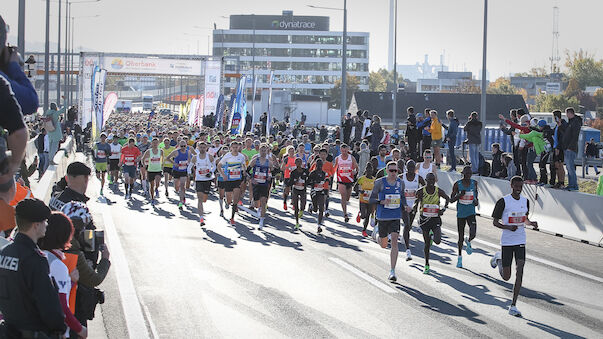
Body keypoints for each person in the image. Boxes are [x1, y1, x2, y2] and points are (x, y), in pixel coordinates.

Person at [0, 199, 67, 338]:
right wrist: (60, 327)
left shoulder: (4, 253)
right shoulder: (35, 259)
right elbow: (48, 304)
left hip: (8, 331)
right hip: (33, 332)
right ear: (36, 225)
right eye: (44, 221)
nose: (47, 225)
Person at [490, 176, 539, 317]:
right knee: (506, 277)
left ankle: (513, 305)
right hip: (507, 241)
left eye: (520, 186)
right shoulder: (503, 202)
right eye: (516, 186)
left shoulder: (525, 201)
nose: (518, 189)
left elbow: (524, 219)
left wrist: (531, 223)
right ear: (511, 185)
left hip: (520, 240)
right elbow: (495, 222)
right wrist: (507, 227)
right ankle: (498, 258)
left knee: (520, 269)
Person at [61, 201, 110, 335]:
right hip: (71, 310)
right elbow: (94, 279)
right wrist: (105, 259)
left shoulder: (50, 244)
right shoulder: (73, 251)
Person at [38, 212, 88, 338]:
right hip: (52, 331)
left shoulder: (36, 255)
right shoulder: (57, 265)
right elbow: (61, 307)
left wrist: (69, 281)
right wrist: (80, 329)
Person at [369, 161, 412, 282]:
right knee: (383, 244)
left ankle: (392, 271)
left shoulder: (400, 183)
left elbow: (402, 197)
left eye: (396, 171)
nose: (394, 173)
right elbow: (371, 199)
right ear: (387, 171)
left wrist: (405, 206)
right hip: (383, 217)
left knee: (394, 240)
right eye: (391, 171)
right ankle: (376, 233)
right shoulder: (379, 183)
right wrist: (381, 202)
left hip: (395, 216)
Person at [413, 172, 450, 275]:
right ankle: (427, 264)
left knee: (437, 241)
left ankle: (433, 236)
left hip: (435, 219)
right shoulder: (421, 191)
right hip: (425, 219)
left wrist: (443, 209)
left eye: (433, 180)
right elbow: (416, 200)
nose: (431, 182)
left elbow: (447, 198)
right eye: (429, 180)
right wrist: (415, 208)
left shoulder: (438, 191)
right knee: (426, 244)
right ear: (426, 180)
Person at [450, 166, 479, 268]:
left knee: (473, 232)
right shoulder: (457, 184)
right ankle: (459, 258)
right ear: (463, 174)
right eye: (466, 174)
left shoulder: (474, 183)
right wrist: (459, 195)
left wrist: (476, 202)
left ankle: (469, 240)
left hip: (471, 212)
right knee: (460, 237)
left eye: (470, 174)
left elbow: (476, 198)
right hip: (461, 213)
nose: (468, 176)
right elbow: (451, 200)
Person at [400, 160, 425, 261]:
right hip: (403, 205)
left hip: (414, 205)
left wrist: (419, 200)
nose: (411, 169)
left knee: (409, 226)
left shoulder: (418, 178)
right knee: (406, 225)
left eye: (412, 167)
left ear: (415, 168)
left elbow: (425, 189)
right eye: (409, 167)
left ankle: (405, 236)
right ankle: (408, 251)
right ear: (406, 167)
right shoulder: (402, 177)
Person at [218, 141, 247, 225]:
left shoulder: (241, 156)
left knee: (236, 199)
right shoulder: (227, 156)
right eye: (233, 147)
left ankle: (232, 217)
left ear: (238, 147)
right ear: (230, 148)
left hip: (237, 179)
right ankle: (226, 201)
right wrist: (223, 175)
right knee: (229, 200)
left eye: (236, 147)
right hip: (228, 180)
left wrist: (244, 171)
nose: (235, 149)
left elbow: (243, 165)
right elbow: (219, 166)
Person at [249, 143, 276, 230]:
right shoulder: (255, 160)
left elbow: (274, 172)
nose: (263, 152)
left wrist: (270, 176)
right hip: (256, 183)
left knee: (263, 201)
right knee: (257, 204)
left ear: (267, 151)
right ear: (259, 150)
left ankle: (261, 222)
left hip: (264, 184)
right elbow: (247, 170)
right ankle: (258, 207)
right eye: (262, 150)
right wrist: (251, 179)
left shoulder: (269, 162)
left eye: (265, 150)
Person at [191, 141, 215, 226]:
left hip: (207, 180)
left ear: (206, 148)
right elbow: (190, 166)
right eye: (200, 147)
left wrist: (211, 172)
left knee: (204, 199)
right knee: (200, 199)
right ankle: (201, 218)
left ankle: (201, 215)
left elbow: (214, 166)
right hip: (199, 179)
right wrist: (188, 174)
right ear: (198, 148)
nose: (202, 149)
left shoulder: (210, 157)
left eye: (203, 147)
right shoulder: (195, 157)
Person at [333, 143, 358, 223]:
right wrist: (330, 175)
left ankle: (345, 211)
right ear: (340, 150)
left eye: (345, 150)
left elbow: (357, 167)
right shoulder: (338, 158)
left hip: (349, 180)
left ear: (348, 150)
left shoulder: (351, 158)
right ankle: (345, 214)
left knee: (347, 198)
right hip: (341, 180)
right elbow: (334, 168)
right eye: (342, 150)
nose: (344, 152)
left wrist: (355, 171)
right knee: (343, 196)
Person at [167, 140, 192, 210]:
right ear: (179, 146)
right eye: (181, 146)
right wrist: (174, 163)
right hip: (176, 170)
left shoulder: (188, 152)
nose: (183, 147)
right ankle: (182, 195)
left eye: (184, 146)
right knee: (176, 187)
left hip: (184, 170)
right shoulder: (176, 152)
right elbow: (168, 158)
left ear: (186, 146)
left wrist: (188, 163)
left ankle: (180, 202)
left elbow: (190, 160)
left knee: (182, 185)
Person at [562, 107, 582, 191]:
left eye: (567, 113)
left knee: (570, 168)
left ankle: (574, 185)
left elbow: (575, 136)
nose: (566, 115)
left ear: (570, 113)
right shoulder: (571, 122)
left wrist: (570, 147)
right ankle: (571, 184)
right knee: (568, 168)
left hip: (571, 148)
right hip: (567, 148)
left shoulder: (575, 122)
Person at [307, 158, 329, 233]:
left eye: (321, 165)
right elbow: (308, 182)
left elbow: (327, 179)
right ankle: (311, 206)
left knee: (321, 208)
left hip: (321, 191)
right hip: (314, 191)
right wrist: (314, 182)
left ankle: (319, 225)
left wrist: (326, 181)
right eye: (318, 165)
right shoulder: (313, 173)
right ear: (316, 165)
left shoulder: (324, 173)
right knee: (315, 209)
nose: (319, 166)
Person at [356, 162, 376, 237]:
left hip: (371, 200)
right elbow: (355, 187)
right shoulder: (362, 179)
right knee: (364, 216)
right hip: (363, 199)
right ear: (366, 170)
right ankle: (360, 214)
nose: (369, 172)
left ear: (372, 171)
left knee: (368, 215)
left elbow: (377, 190)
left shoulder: (375, 180)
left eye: (371, 170)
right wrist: (360, 191)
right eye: (368, 170)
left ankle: (364, 230)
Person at [142, 138, 163, 205]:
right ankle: (152, 198)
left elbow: (163, 159)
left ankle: (156, 189)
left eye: (156, 143)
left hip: (158, 169)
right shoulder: (148, 151)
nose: (155, 144)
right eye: (154, 143)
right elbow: (143, 159)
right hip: (150, 170)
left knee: (157, 182)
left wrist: (162, 165)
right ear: (151, 143)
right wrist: (144, 165)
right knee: (151, 185)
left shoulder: (161, 151)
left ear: (158, 143)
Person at [290, 158, 309, 230]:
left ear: (301, 163)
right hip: (295, 189)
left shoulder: (305, 171)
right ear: (295, 163)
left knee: (303, 203)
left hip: (303, 189)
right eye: (297, 162)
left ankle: (302, 210)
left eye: (299, 162)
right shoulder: (293, 172)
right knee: (296, 206)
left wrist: (306, 182)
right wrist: (295, 181)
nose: (298, 163)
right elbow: (290, 182)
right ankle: (297, 222)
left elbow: (309, 179)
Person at [551, 110, 567, 188]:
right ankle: (558, 181)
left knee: (560, 165)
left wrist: (560, 125)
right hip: (555, 147)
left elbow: (564, 136)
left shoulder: (563, 124)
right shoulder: (556, 125)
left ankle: (562, 182)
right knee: (556, 165)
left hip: (560, 148)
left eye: (554, 117)